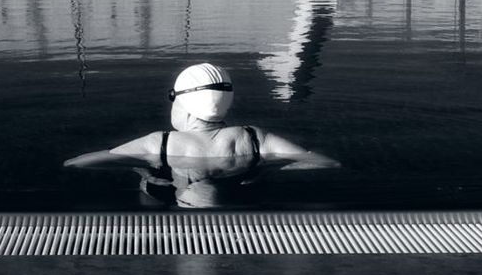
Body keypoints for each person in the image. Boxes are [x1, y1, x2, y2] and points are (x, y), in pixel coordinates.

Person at [64, 63, 337, 208]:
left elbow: (77, 163)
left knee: (148, 187)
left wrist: (139, 170)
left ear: (181, 102)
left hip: (181, 202)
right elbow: (327, 164)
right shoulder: (253, 138)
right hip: (238, 201)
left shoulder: (160, 142)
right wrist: (266, 168)